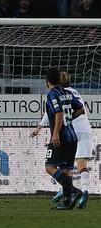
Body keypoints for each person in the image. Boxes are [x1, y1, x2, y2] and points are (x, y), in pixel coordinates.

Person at [31, 71, 92, 209]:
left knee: (49, 167)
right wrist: (69, 119)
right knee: (66, 170)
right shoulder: (70, 93)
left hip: (61, 136)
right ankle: (67, 202)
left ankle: (74, 191)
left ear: (47, 82)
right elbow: (81, 110)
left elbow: (58, 112)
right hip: (73, 136)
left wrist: (56, 133)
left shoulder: (52, 94)